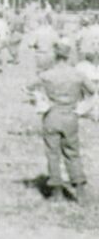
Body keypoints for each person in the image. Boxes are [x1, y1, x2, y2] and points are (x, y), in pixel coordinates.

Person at [27, 41, 96, 204]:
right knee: (72, 152)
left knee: (53, 153)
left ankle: (56, 192)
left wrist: (40, 100)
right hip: (71, 116)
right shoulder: (78, 74)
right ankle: (80, 190)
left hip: (52, 115)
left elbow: (28, 87)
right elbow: (93, 91)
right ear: (69, 55)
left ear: (55, 55)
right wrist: (82, 108)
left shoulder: (47, 75)